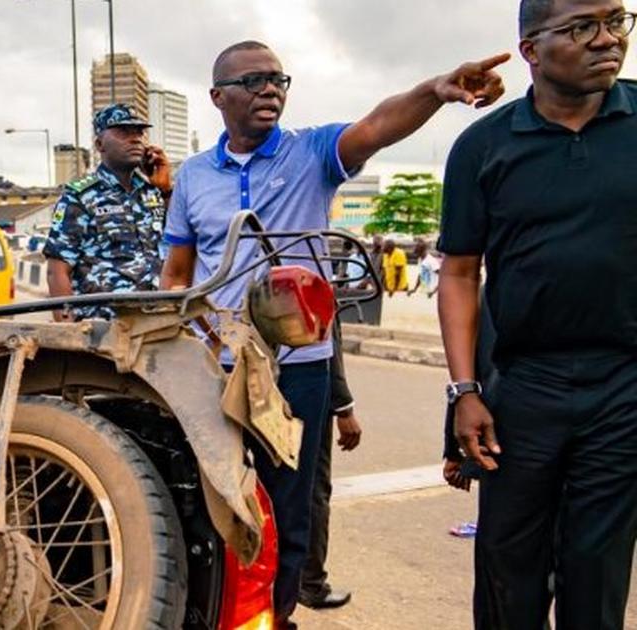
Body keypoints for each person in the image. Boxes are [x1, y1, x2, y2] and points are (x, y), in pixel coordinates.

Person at [159, 39, 507, 627]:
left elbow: (376, 126)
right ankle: (213, 610)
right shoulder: (192, 177)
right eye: (253, 81)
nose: (270, 90)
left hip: (299, 368)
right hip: (215, 370)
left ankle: (276, 614)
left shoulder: (312, 153)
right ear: (218, 97)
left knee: (289, 505)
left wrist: (435, 91)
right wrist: (191, 334)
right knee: (212, 497)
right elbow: (176, 276)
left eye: (278, 80)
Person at [438, 1, 637, 628]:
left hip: (625, 387)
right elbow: (460, 274)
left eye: (618, 20)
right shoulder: (483, 146)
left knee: (597, 569)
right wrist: (465, 392)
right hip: (521, 388)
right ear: (531, 49)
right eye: (584, 27)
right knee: (508, 569)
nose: (609, 40)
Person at [43, 103, 173, 321]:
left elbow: (180, 243)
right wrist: (68, 332)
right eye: (123, 132)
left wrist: (166, 188)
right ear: (99, 143)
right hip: (104, 332)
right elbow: (57, 270)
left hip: (156, 323)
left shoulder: (153, 192)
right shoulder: (80, 196)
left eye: (139, 132)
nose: (136, 139)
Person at [300, 323, 361, 610]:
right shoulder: (312, 278)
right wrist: (344, 407)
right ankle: (309, 582)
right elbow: (326, 341)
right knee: (312, 488)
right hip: (303, 383)